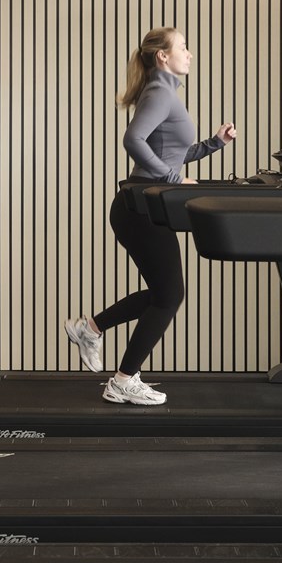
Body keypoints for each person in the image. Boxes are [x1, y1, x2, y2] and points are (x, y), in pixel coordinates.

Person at [66, 28, 237, 405]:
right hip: (140, 206)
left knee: (165, 293)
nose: (189, 53)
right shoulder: (161, 92)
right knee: (170, 294)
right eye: (183, 47)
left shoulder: (165, 93)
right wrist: (173, 178)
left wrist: (214, 144)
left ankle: (90, 329)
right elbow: (134, 140)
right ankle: (123, 379)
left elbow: (172, 154)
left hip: (141, 206)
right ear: (163, 56)